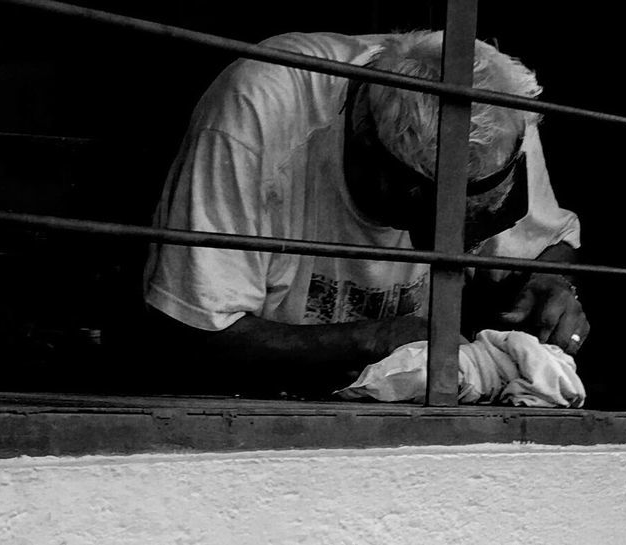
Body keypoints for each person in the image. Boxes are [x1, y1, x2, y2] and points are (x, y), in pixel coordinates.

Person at [142, 30, 589, 395]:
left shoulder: (494, 114)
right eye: (442, 219)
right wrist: (376, 338)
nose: (464, 240)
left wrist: (548, 281)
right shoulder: (262, 106)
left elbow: (547, 243)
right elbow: (191, 329)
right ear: (380, 169)